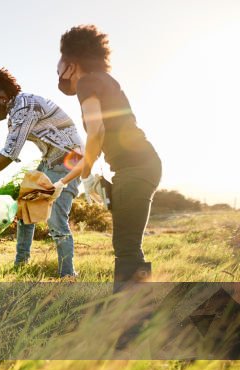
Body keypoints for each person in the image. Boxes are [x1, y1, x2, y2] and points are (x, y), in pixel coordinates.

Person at [54, 25, 163, 289]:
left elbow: (96, 131)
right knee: (128, 245)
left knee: (126, 248)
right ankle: (136, 316)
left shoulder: (87, 81)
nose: (57, 73)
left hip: (135, 168)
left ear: (72, 63)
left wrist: (86, 173)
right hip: (140, 165)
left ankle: (132, 323)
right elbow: (95, 143)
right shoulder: (103, 79)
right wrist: (62, 183)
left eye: (58, 67)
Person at [0, 68, 83, 277]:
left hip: (69, 162)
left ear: (1, 98)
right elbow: (8, 147)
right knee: (25, 212)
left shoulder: (25, 107)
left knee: (56, 220)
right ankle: (21, 265)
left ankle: (68, 275)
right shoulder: (17, 110)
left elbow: (10, 153)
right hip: (50, 162)